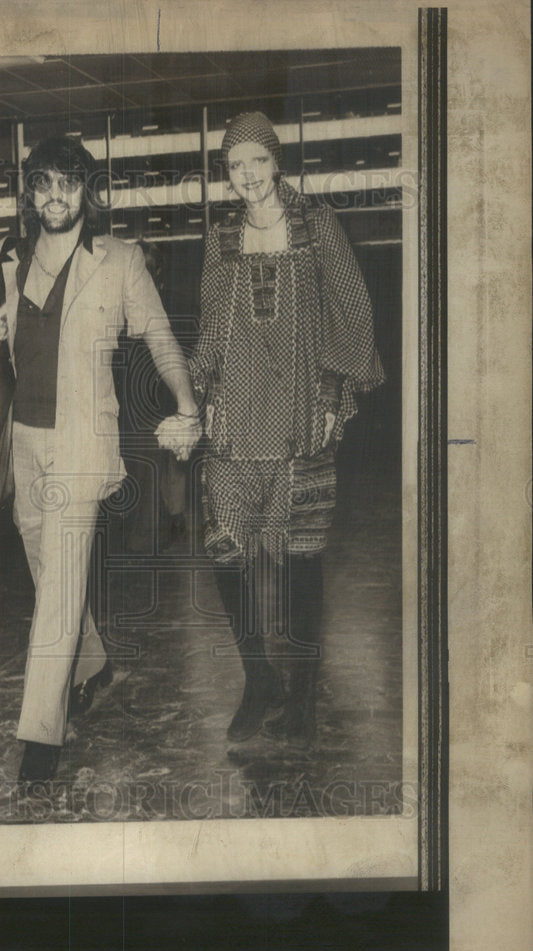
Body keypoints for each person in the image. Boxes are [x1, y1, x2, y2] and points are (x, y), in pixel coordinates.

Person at [0, 135, 201, 783]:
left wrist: (186, 404)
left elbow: (159, 335)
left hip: (81, 447)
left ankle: (40, 737)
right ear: (29, 192)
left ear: (86, 193)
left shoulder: (119, 261)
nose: (55, 197)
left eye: (68, 185)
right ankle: (94, 663)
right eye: (43, 184)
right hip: (23, 444)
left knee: (61, 585)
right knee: (48, 573)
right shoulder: (5, 258)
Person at [189, 111, 384, 747]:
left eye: (257, 161)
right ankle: (259, 679)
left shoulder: (316, 223)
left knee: (301, 560)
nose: (246, 175)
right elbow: (212, 325)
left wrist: (334, 389)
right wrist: (205, 391)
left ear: (277, 162)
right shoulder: (221, 236)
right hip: (235, 423)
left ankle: (301, 691)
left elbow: (351, 307)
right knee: (226, 552)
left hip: (301, 417)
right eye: (234, 164)